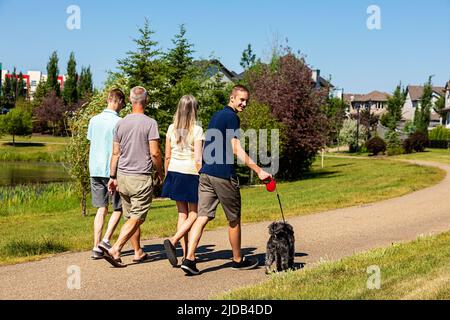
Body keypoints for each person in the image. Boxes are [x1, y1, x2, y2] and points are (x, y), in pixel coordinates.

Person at [181, 85, 272, 275]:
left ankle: (189, 259)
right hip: (223, 175)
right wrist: (259, 171)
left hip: (206, 173)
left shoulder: (216, 116)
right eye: (241, 100)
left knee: (202, 216)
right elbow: (236, 148)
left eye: (247, 100)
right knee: (234, 219)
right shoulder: (232, 117)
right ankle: (238, 259)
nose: (244, 103)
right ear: (232, 98)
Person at [99, 86, 164, 268]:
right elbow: (155, 153)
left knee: (131, 217)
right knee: (138, 217)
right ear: (147, 100)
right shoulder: (150, 123)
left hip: (122, 177)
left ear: (129, 99)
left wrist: (112, 177)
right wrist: (160, 173)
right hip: (140, 177)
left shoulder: (120, 123)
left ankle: (138, 252)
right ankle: (115, 249)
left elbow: (115, 153)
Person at [161, 95, 204, 267]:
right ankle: (174, 240)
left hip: (174, 171)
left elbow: (167, 156)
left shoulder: (171, 129)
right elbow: (198, 159)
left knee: (182, 214)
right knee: (195, 214)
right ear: (194, 110)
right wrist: (203, 177)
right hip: (191, 173)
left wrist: (166, 176)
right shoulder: (198, 130)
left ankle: (186, 253)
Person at [87, 88, 125, 260]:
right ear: (117, 101)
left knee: (101, 208)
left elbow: (92, 142)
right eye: (123, 103)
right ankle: (106, 239)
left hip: (95, 168)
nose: (123, 106)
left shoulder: (94, 120)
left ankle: (96, 246)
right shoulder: (120, 122)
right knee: (119, 207)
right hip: (112, 170)